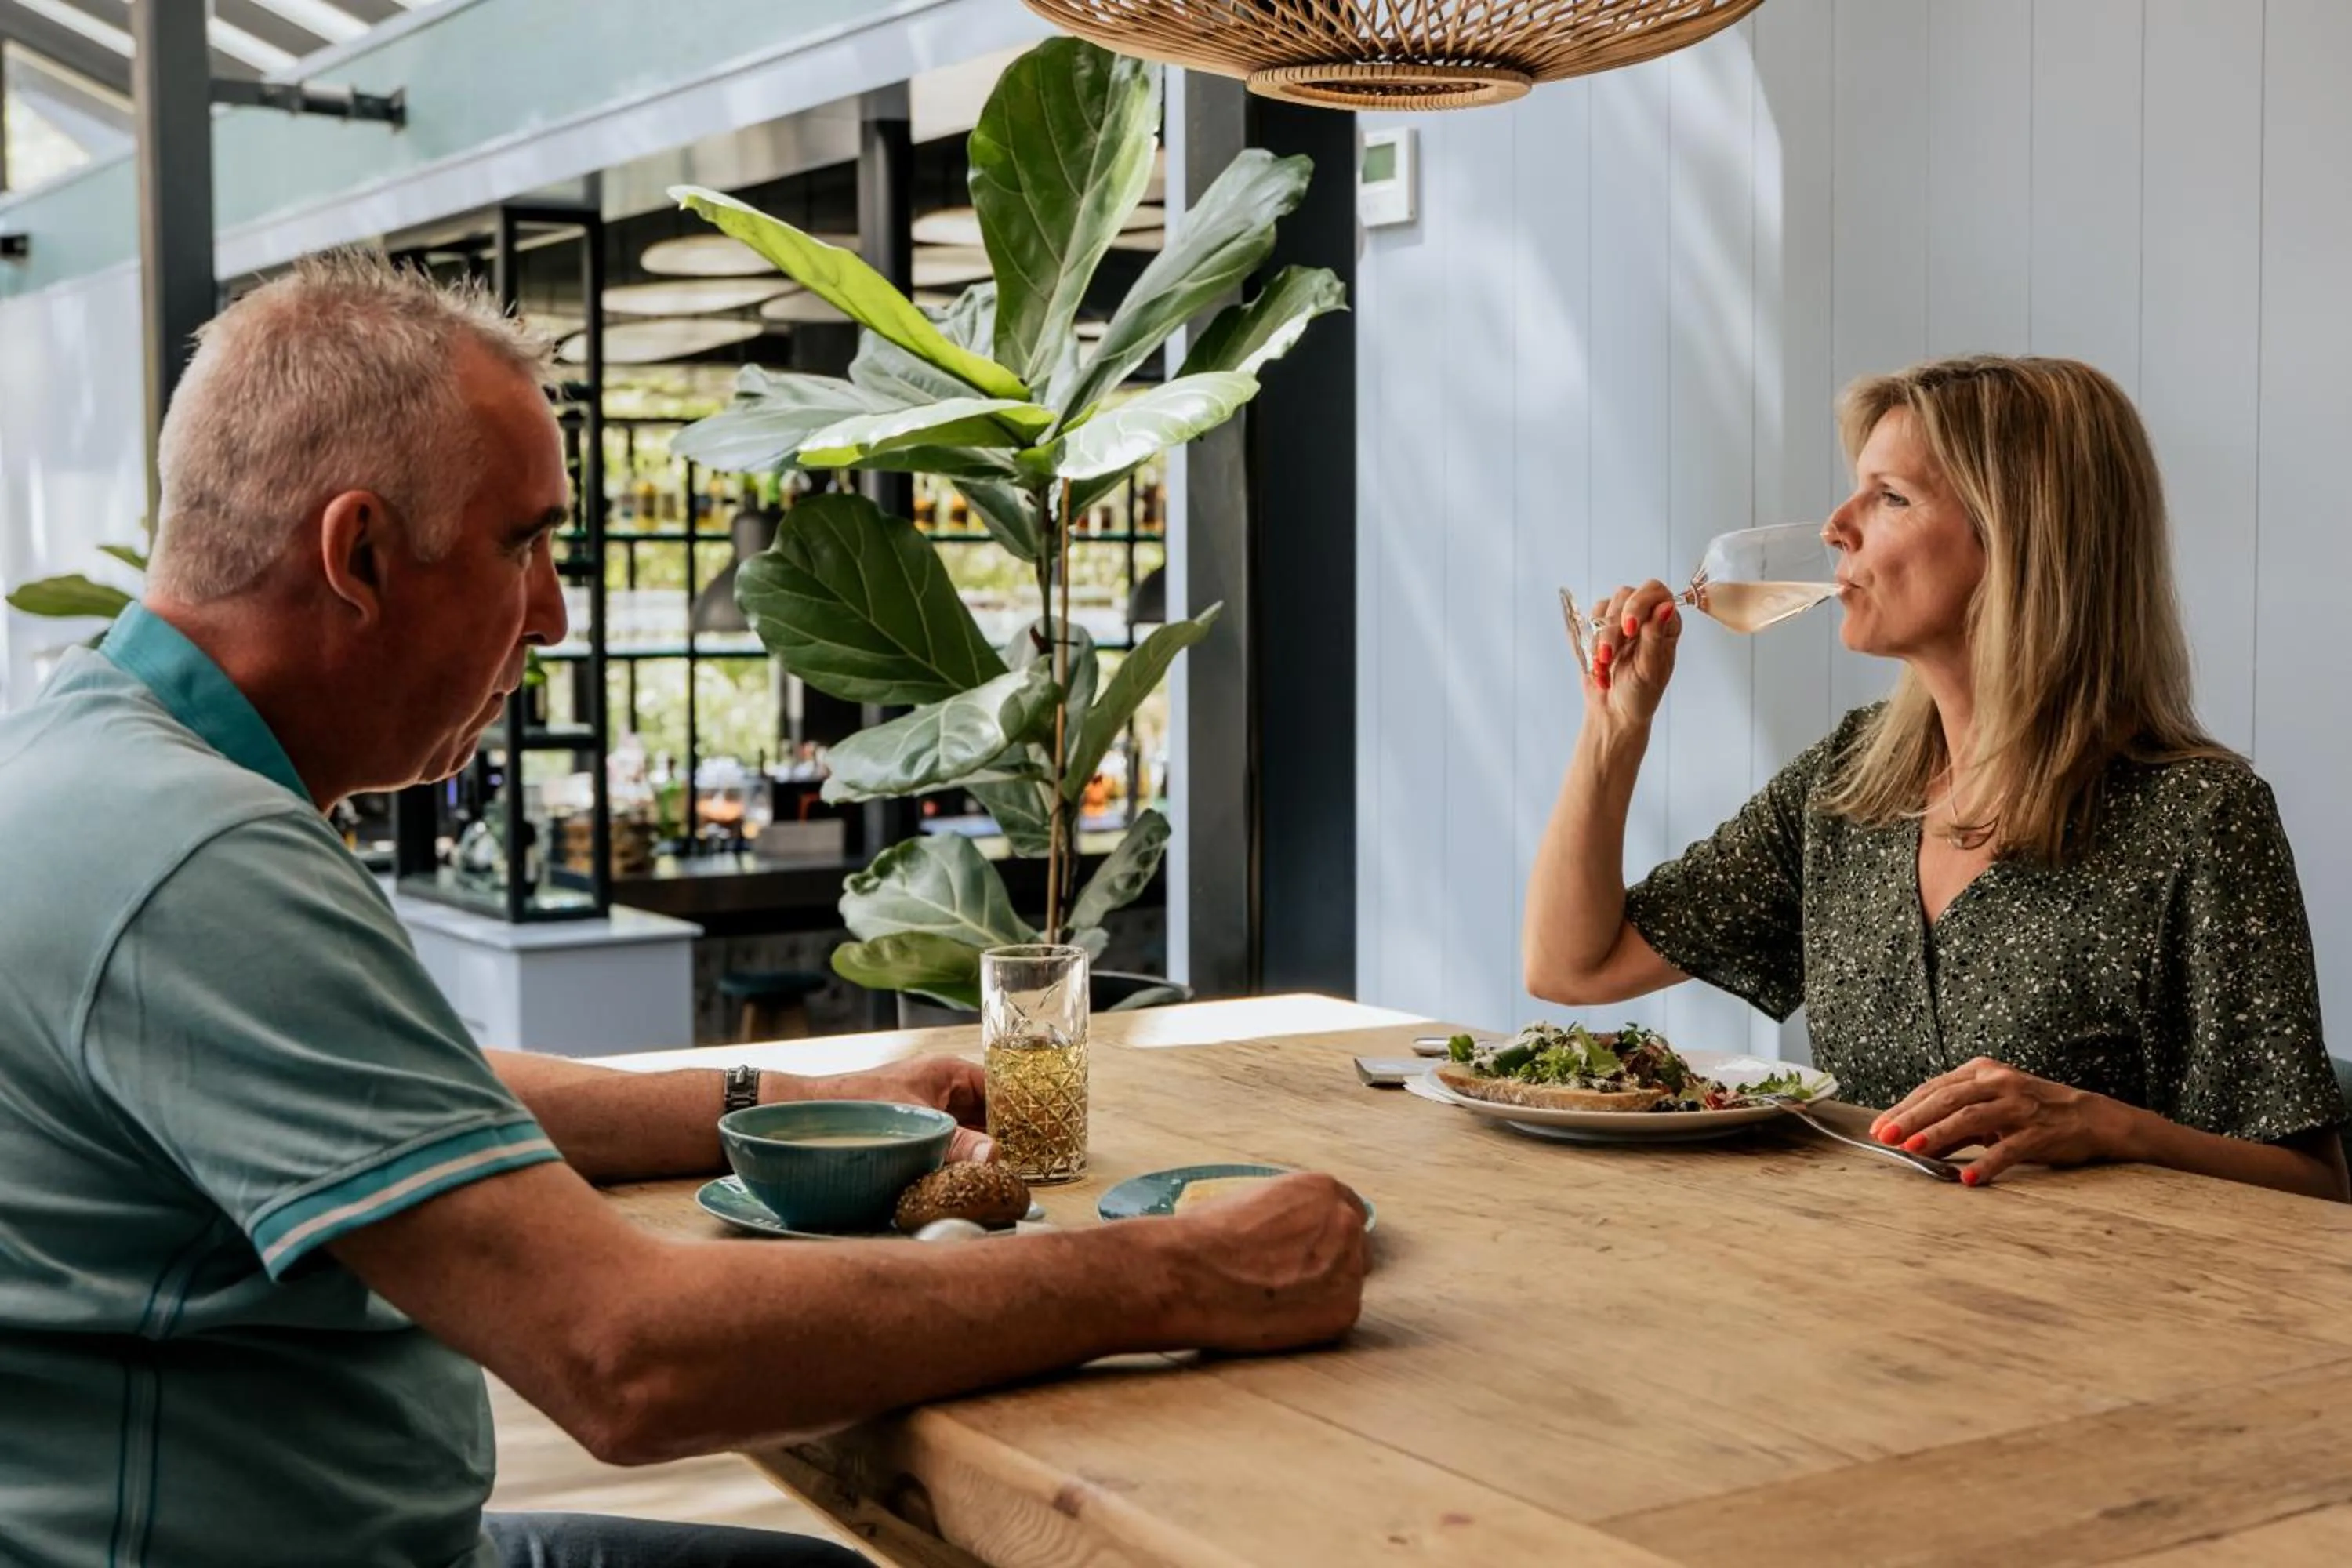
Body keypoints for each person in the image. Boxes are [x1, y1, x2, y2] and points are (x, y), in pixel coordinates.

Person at [0, 255, 1369, 1568]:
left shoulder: (94, 764)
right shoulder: (200, 857)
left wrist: (802, 1094)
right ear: (357, 553)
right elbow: (625, 1356)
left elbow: (428, 1094)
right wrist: (1180, 1275)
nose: (551, 616)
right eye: (524, 545)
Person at [1523, 354, 2348, 1202]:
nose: (1835, 527)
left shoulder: (2199, 818)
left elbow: (2317, 1191)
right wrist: (1615, 728)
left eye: (1890, 497)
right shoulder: (1851, 784)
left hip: (2107, 1285)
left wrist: (2110, 1127)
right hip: (1869, 1266)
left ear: (2020, 537)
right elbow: (1572, 965)